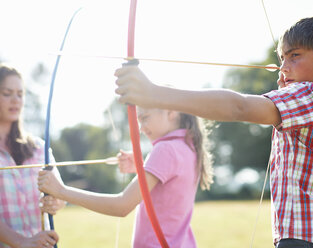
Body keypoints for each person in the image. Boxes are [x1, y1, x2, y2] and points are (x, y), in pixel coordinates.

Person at [113, 16, 313, 248]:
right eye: (282, 58)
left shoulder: (311, 98)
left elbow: (238, 107)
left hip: (301, 242)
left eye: (294, 56)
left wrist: (154, 94)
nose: (284, 67)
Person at [38, 106, 213, 247]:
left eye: (145, 117)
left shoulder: (166, 149)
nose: (141, 128)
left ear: (170, 111)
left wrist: (61, 190)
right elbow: (170, 189)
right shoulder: (187, 146)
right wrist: (142, 168)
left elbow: (121, 206)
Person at [0, 64, 64, 248]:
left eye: (20, 94)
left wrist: (55, 202)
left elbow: (61, 196)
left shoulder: (39, 148)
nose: (15, 100)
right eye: (7, 93)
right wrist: (22, 242)